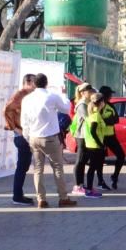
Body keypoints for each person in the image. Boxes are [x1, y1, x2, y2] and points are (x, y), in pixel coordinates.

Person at [21, 74, 77, 209]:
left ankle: (41, 199)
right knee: (57, 168)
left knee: (38, 169)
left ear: (34, 84)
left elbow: (24, 121)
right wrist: (63, 94)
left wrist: (27, 137)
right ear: (46, 83)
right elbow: (66, 108)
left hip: (34, 137)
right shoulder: (52, 96)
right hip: (50, 137)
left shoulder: (27, 99)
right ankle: (63, 198)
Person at [2, 74, 36, 205]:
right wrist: (16, 129)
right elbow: (6, 110)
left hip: (27, 135)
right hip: (22, 137)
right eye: (33, 82)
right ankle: (17, 196)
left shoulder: (29, 96)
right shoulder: (19, 95)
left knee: (24, 165)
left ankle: (18, 194)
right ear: (27, 82)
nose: (35, 85)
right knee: (22, 166)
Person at [96, 86, 125, 190]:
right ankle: (100, 181)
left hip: (111, 136)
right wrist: (108, 120)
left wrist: (106, 120)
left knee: (121, 156)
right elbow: (96, 121)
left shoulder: (111, 106)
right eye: (110, 94)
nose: (111, 96)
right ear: (105, 95)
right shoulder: (97, 106)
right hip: (100, 137)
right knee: (100, 160)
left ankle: (115, 176)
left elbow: (116, 120)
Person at [70, 83, 94, 194]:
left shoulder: (87, 102)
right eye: (89, 91)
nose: (91, 93)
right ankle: (76, 186)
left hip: (86, 135)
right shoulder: (82, 104)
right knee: (79, 160)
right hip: (81, 135)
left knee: (83, 160)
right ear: (83, 92)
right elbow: (88, 118)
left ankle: (81, 184)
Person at [82, 93, 107, 197]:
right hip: (94, 146)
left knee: (93, 167)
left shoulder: (93, 114)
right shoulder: (95, 115)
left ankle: (89, 188)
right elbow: (93, 131)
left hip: (91, 145)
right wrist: (100, 144)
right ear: (101, 102)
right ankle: (89, 190)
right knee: (92, 168)